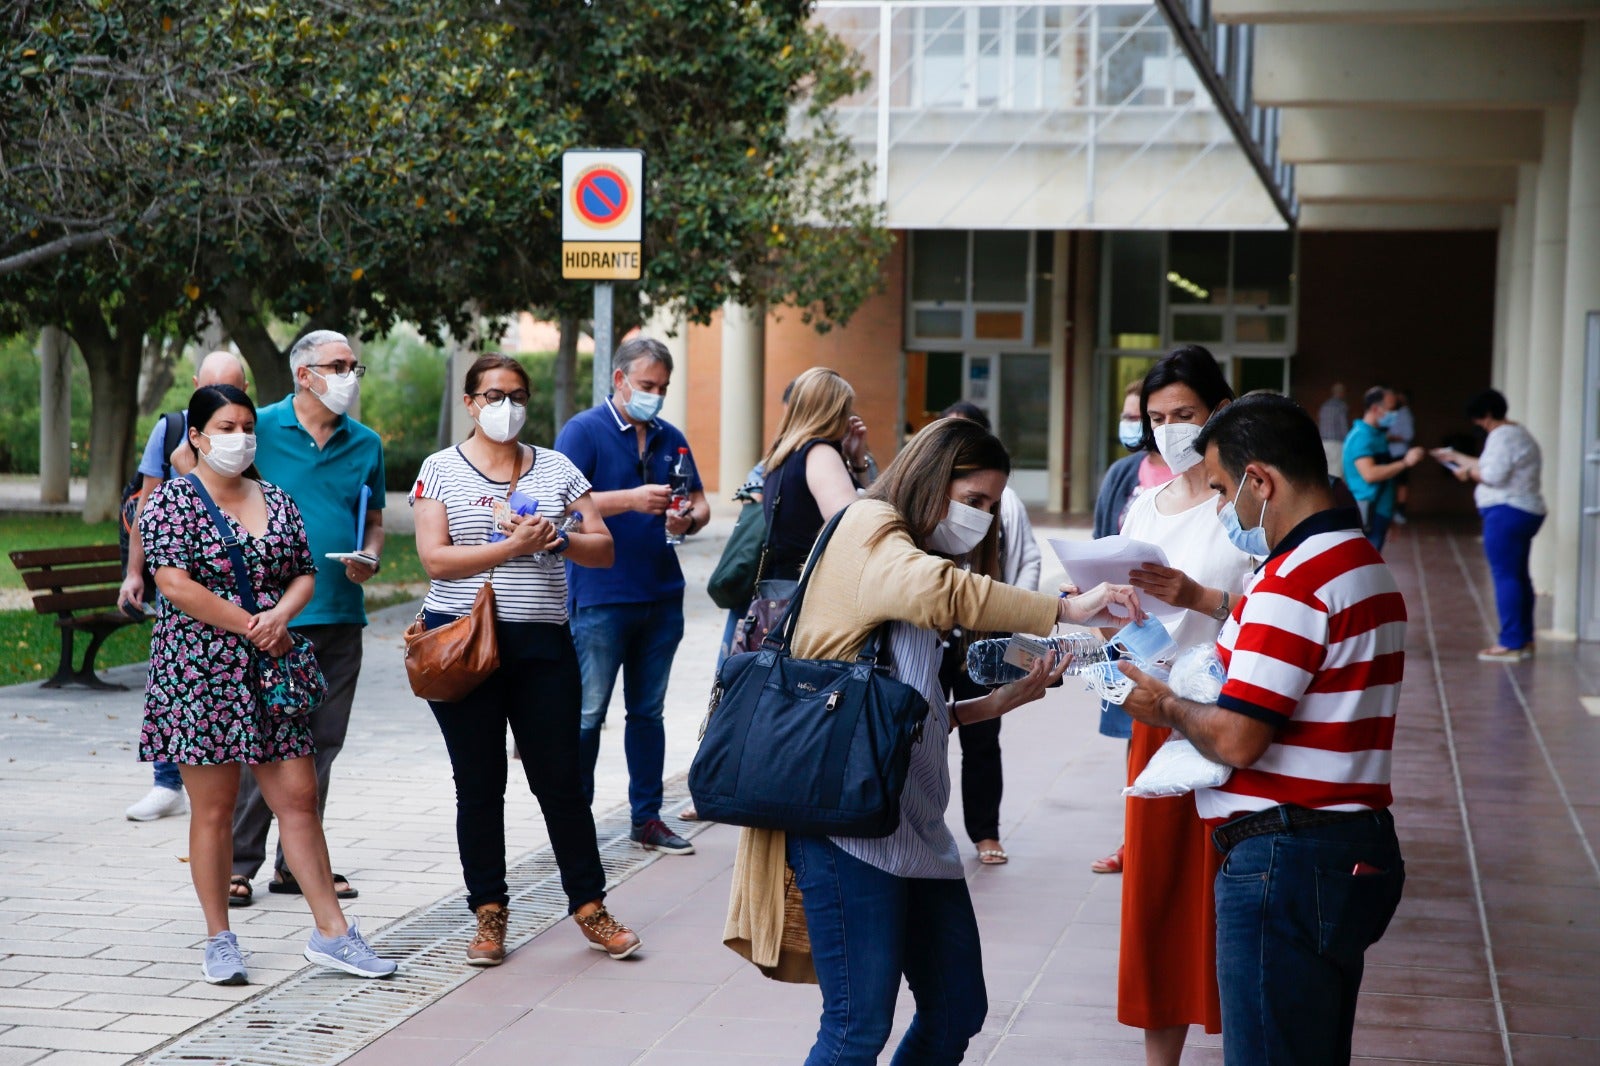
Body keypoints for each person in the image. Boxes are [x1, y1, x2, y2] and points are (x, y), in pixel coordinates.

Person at [723, 417, 1142, 1065]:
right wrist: (1065, 608)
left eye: (989, 507)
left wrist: (1004, 700)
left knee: (955, 1009)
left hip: (913, 824)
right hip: (847, 826)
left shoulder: (913, 552)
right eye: (971, 500)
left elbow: (904, 707)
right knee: (856, 1028)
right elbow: (938, 594)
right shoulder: (871, 529)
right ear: (931, 479)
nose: (978, 518)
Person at [1120, 393, 1406, 1066]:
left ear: (1261, 481)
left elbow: (1240, 738)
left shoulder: (1293, 582)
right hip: (1347, 846)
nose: (1222, 508)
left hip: (1287, 856)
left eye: (1222, 489)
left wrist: (1163, 707)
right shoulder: (1362, 564)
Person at [138, 385, 396, 984]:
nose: (241, 438)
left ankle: (333, 934)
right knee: (214, 809)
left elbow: (303, 572)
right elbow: (174, 584)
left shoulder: (275, 498)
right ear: (197, 437)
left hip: (271, 669)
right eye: (225, 427)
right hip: (199, 674)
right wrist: (254, 625)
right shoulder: (171, 503)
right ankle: (219, 938)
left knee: (299, 798)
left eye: (247, 426)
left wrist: (280, 616)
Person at [411, 353, 639, 964]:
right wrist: (510, 546)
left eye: (514, 394)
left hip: (543, 646)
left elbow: (603, 549)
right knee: (479, 785)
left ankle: (590, 906)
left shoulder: (558, 469)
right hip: (463, 644)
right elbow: (434, 559)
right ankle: (488, 912)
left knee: (560, 780)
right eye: (490, 394)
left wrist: (556, 538)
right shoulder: (440, 471)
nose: (502, 406)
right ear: (469, 402)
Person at [1113, 346, 1258, 1066]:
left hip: (1236, 714)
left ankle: (1247, 1041)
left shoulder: (1248, 504)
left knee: (1237, 896)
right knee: (1158, 897)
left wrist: (1199, 598)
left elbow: (1280, 610)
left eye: (1185, 416)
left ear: (1219, 413)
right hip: (1158, 711)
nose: (1170, 431)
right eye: (1158, 418)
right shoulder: (1147, 500)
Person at [227, 331, 385, 909]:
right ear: (303, 373)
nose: (349, 374)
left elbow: (373, 520)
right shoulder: (258, 428)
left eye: (352, 365)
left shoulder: (365, 443)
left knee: (323, 742)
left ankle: (297, 863)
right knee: (265, 742)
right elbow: (209, 484)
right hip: (270, 617)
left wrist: (370, 554)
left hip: (342, 611)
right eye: (337, 365)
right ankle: (236, 864)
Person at [554, 336, 709, 857]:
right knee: (586, 715)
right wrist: (632, 500)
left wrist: (687, 517)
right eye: (647, 385)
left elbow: (701, 503)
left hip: (662, 594)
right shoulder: (584, 431)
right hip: (600, 595)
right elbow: (559, 505)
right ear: (619, 380)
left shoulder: (671, 436)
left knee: (648, 713)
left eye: (663, 387)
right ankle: (574, 826)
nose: (656, 396)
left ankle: (647, 819)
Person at [121, 351, 250, 823]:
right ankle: (166, 780)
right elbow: (145, 504)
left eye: (233, 387)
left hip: (240, 588)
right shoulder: (172, 429)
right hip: (184, 582)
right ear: (196, 384)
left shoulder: (250, 435)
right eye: (211, 387)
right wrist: (136, 572)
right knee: (179, 682)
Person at [940, 402, 1041, 866]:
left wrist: (1019, 622)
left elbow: (1026, 560)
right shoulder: (924, 508)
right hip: (934, 634)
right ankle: (921, 823)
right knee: (920, 729)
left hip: (983, 636)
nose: (981, 509)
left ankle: (985, 831)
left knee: (982, 735)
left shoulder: (1005, 504)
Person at [1090, 381, 1176, 875]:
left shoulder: (1205, 481)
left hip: (1177, 634)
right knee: (1136, 735)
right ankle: (1134, 839)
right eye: (1127, 416)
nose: (1133, 427)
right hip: (1127, 629)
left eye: (1139, 417)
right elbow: (1103, 544)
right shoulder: (1124, 474)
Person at [1434, 389, 1545, 662]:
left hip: (1506, 512)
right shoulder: (1518, 432)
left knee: (1505, 576)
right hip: (1524, 510)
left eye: (1478, 419)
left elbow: (1492, 475)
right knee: (1518, 576)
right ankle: (1524, 638)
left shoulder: (1502, 436)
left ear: (1486, 415)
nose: (1478, 425)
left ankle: (1509, 643)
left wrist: (1465, 473)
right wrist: (1457, 457)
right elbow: (1490, 465)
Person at [1342, 387, 1424, 551]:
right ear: (1375, 409)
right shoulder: (1362, 437)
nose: (1395, 414)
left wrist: (1391, 516)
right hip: (1368, 512)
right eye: (1392, 409)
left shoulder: (1377, 435)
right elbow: (1370, 474)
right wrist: (1405, 462)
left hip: (1380, 511)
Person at [1385, 387, 1416, 524]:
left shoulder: (1405, 413)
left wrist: (1391, 438)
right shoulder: (1395, 413)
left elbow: (1408, 435)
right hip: (1392, 452)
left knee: (1401, 484)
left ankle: (1400, 512)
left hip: (1400, 453)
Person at [1318, 382, 1350, 473]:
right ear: (1342, 392)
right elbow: (1343, 426)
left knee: (1326, 471)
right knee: (1337, 472)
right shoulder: (1341, 406)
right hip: (1336, 443)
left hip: (1323, 443)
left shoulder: (1324, 406)